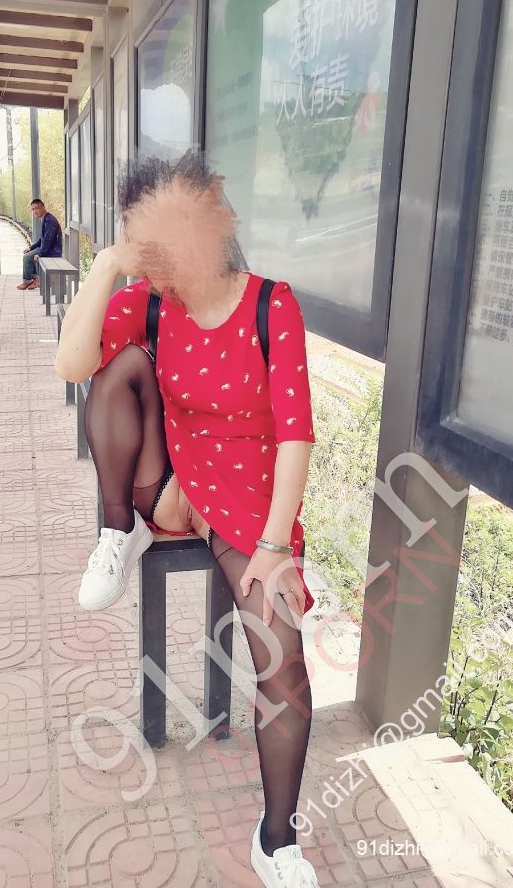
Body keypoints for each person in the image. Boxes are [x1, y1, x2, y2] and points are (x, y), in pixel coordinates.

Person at [55, 153, 319, 888]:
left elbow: (295, 432)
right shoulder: (149, 303)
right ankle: (119, 531)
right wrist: (107, 265)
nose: (149, 254)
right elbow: (73, 366)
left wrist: (275, 545)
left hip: (251, 504)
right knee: (117, 372)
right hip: (171, 485)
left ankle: (276, 840)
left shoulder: (270, 305)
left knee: (285, 667)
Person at [17, 198, 62, 290]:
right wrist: (31, 247)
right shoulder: (45, 219)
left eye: (37, 208)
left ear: (43, 207)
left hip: (52, 251)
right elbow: (42, 239)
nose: (35, 211)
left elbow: (48, 240)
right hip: (47, 248)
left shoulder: (50, 220)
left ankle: (27, 281)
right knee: (29, 254)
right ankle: (35, 279)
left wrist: (40, 253)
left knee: (27, 257)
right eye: (33, 209)